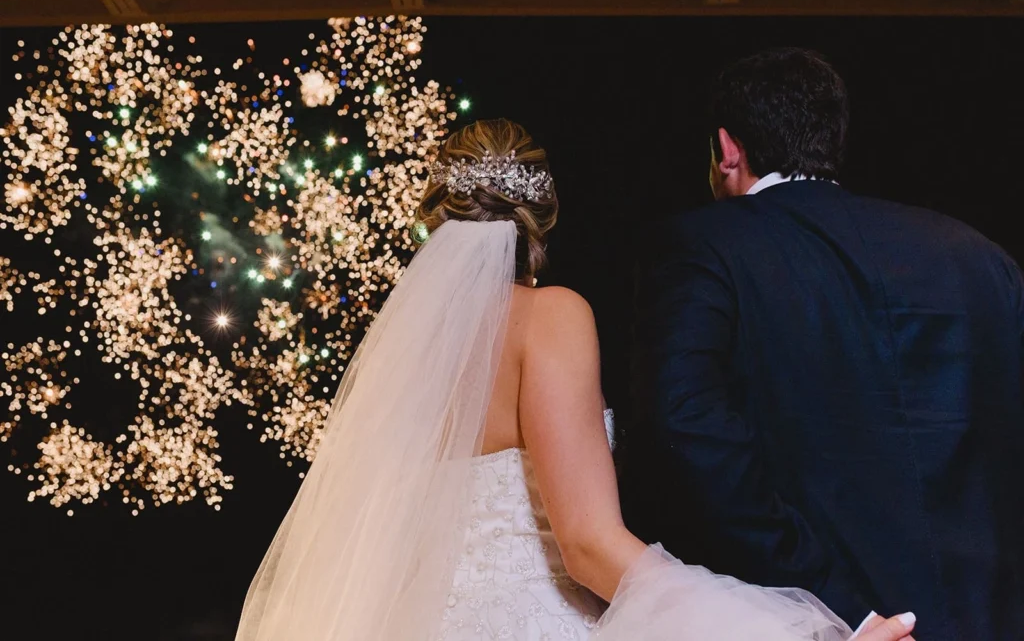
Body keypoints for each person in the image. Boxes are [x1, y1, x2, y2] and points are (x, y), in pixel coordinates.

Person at [235, 119, 916, 641]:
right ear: (544, 218)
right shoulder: (550, 318)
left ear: (435, 217)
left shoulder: (403, 352)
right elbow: (589, 545)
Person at [626, 48, 1024, 641]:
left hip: (818, 624)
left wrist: (843, 609)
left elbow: (689, 431)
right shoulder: (979, 256)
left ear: (727, 149)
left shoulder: (702, 247)